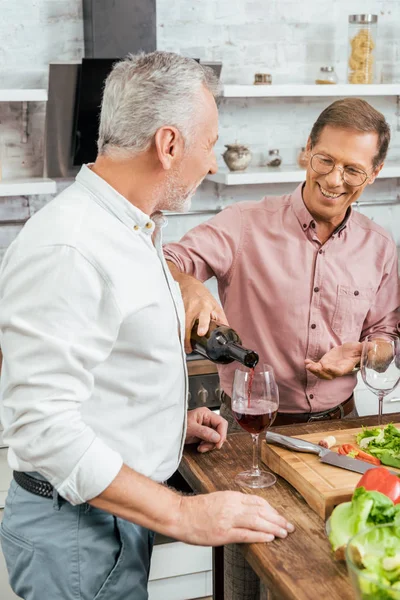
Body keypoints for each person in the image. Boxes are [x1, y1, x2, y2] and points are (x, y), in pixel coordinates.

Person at [0, 52, 294, 600]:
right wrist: (185, 515)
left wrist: (164, 425)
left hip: (103, 517)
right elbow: (43, 432)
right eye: (208, 144)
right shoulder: (70, 247)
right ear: (169, 144)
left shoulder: (130, 229)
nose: (211, 164)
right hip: (77, 532)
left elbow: (102, 375)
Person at [164, 97, 400, 598]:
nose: (336, 179)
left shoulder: (380, 248)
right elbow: (166, 258)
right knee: (246, 573)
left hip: (339, 435)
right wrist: (190, 286)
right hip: (244, 431)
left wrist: (359, 354)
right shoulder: (244, 223)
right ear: (306, 152)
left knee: (324, 569)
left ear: (374, 173)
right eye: (326, 160)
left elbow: (388, 338)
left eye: (353, 169)